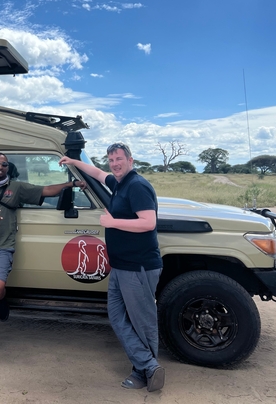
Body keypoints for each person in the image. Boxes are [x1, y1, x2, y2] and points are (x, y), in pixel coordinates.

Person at [0, 153, 86, 371]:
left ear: (8, 168)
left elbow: (46, 191)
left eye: (4, 164)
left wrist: (73, 183)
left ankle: (0, 299)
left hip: (3, 248)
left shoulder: (16, 188)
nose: (0, 167)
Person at [59, 143, 165, 393]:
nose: (114, 163)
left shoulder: (137, 185)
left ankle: (144, 371)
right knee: (117, 316)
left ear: (131, 160)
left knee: (142, 321)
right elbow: (96, 173)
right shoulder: (120, 182)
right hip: (120, 267)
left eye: (119, 159)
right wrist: (74, 162)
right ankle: (148, 364)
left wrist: (112, 222)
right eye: (111, 159)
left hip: (137, 267)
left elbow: (148, 223)